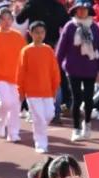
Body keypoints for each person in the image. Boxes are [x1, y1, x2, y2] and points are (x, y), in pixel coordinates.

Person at [56, 0, 99, 141]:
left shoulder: (94, 27)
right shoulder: (70, 26)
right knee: (76, 99)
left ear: (89, 11)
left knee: (89, 99)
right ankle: (76, 128)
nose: (82, 11)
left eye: (85, 9)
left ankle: (87, 123)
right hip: (73, 68)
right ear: (75, 11)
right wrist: (55, 66)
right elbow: (61, 48)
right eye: (79, 9)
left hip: (91, 68)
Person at [0, 7, 26, 143]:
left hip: (15, 77)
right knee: (6, 102)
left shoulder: (18, 37)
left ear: (12, 20)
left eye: (9, 19)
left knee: (15, 105)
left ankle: (13, 133)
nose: (7, 22)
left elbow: (24, 58)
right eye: (3, 19)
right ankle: (0, 123)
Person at [17, 21, 60, 154]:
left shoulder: (48, 50)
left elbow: (54, 71)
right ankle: (41, 143)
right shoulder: (26, 51)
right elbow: (21, 72)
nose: (39, 35)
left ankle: (38, 126)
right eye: (36, 32)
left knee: (49, 114)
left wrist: (55, 88)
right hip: (32, 92)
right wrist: (21, 91)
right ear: (30, 33)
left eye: (42, 32)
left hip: (47, 91)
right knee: (40, 118)